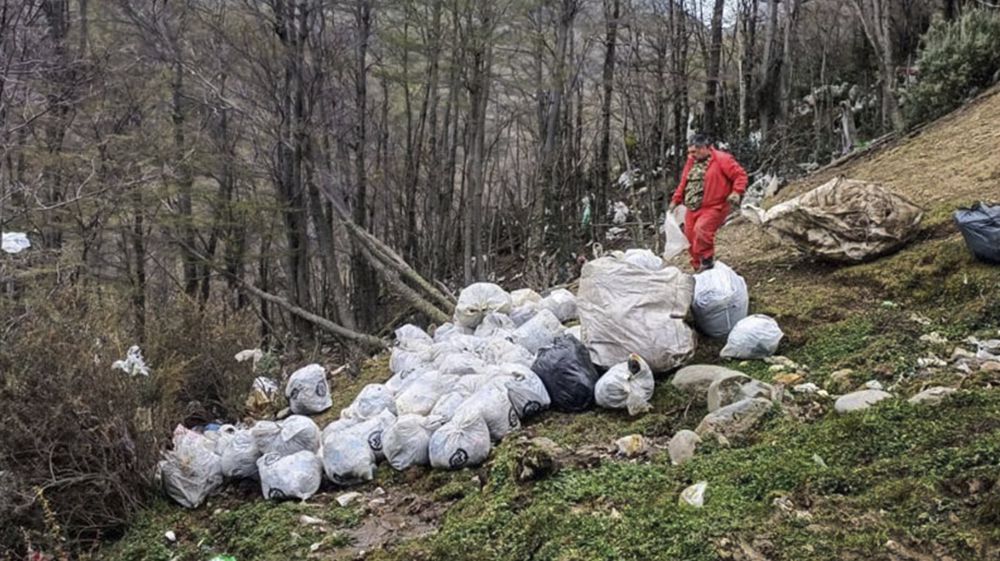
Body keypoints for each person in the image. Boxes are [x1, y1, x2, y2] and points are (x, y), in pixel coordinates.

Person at [669, 134, 748, 272]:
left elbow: (740, 175)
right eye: (690, 152)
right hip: (693, 207)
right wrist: (676, 199)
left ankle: (707, 261)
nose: (691, 155)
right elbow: (684, 182)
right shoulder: (691, 162)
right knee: (689, 238)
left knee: (702, 230)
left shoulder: (722, 159)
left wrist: (737, 192)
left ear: (704, 148)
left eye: (694, 152)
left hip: (715, 206)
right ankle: (697, 266)